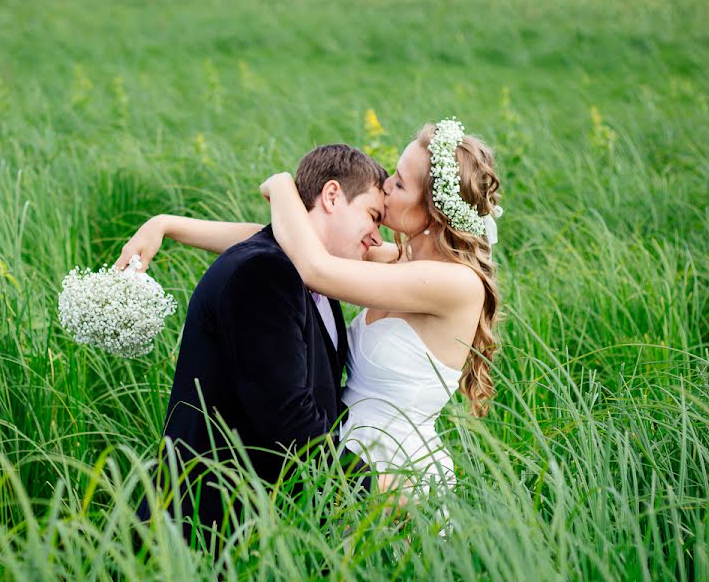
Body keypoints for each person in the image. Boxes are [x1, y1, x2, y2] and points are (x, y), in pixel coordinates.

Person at [120, 119, 503, 508]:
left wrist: (283, 184)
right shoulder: (398, 261)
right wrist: (168, 225)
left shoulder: (456, 284)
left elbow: (314, 266)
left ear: (434, 211)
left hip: (393, 476)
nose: (387, 186)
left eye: (400, 184)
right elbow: (283, 242)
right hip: (339, 462)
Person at [126, 144, 388, 546]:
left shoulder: (316, 274)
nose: (377, 237)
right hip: (209, 524)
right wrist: (371, 488)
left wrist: (169, 223)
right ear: (332, 196)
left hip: (261, 525)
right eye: (373, 216)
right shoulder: (263, 273)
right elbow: (286, 418)